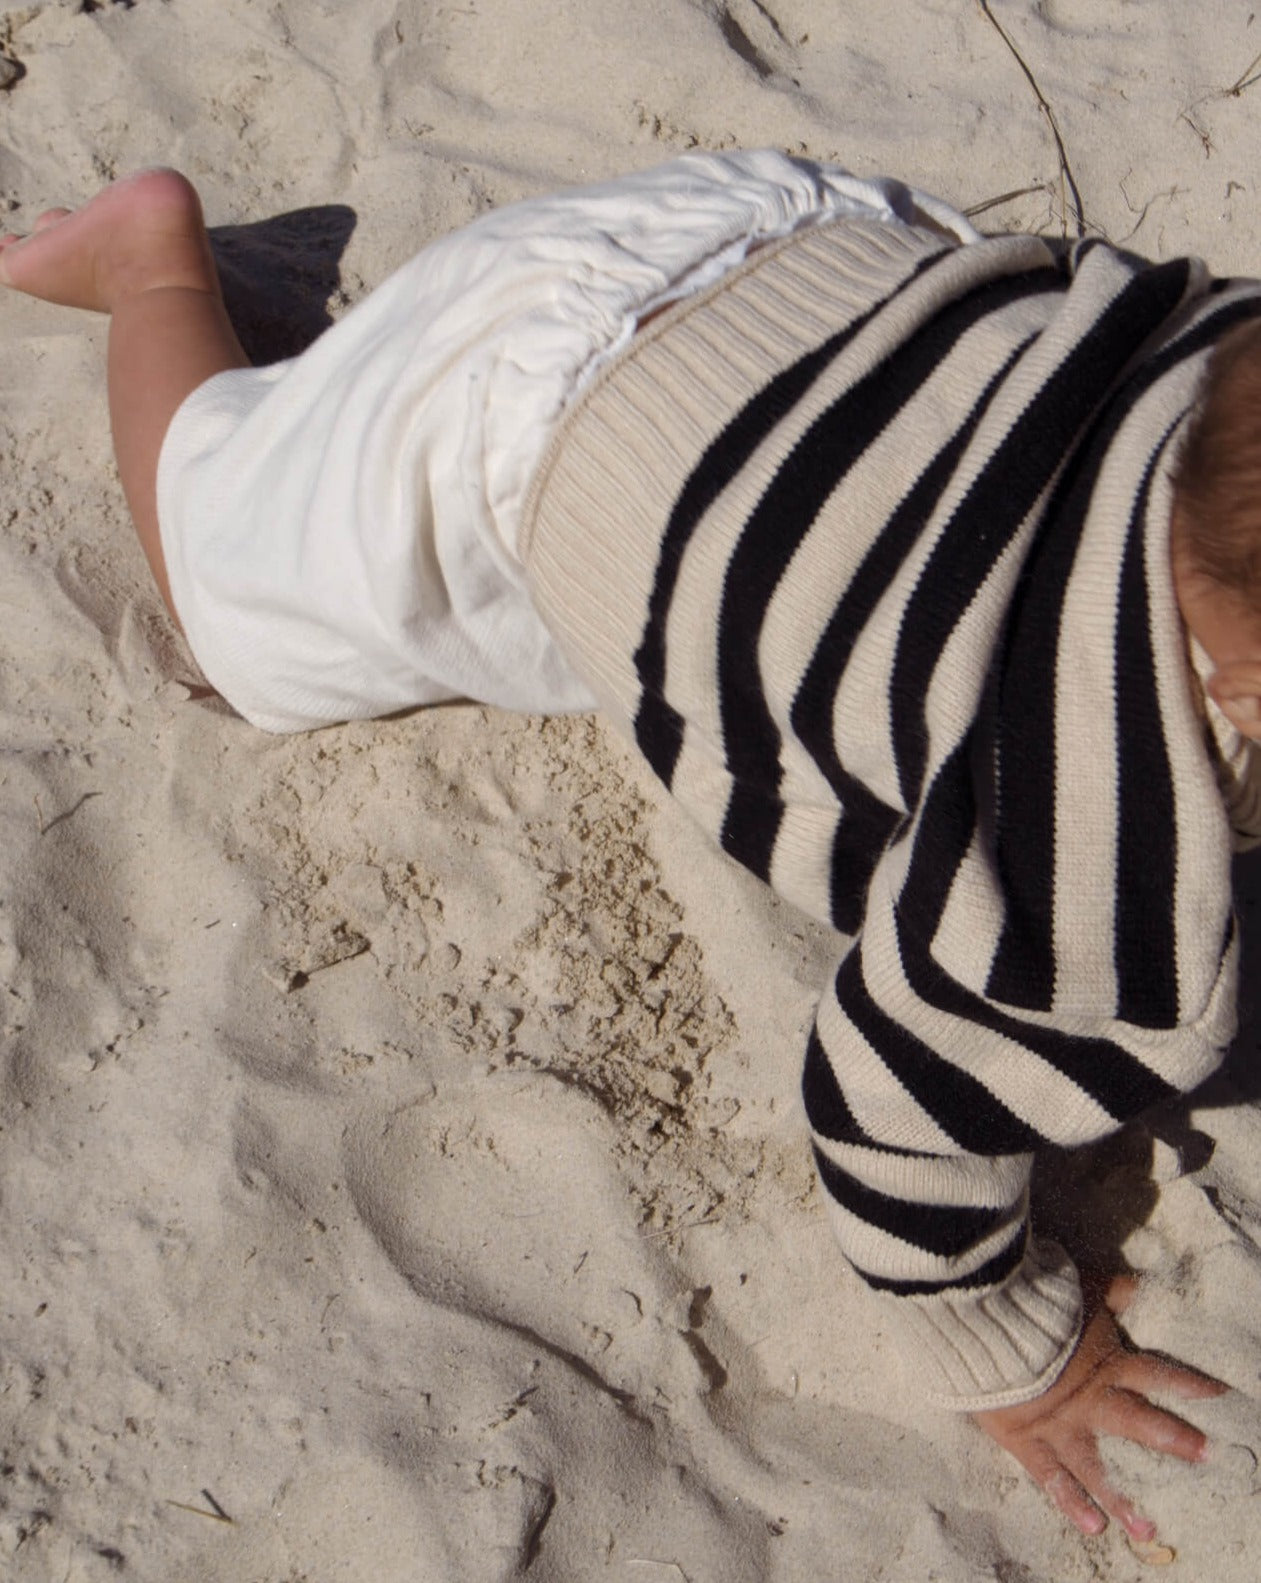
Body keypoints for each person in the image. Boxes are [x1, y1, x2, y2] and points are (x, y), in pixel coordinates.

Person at [4, 149, 1256, 1546]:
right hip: (508, 423)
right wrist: (1014, 1359)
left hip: (807, 247)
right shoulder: (1087, 902)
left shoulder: (1224, 359)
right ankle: (150, 269)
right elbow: (886, 1106)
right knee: (228, 605)